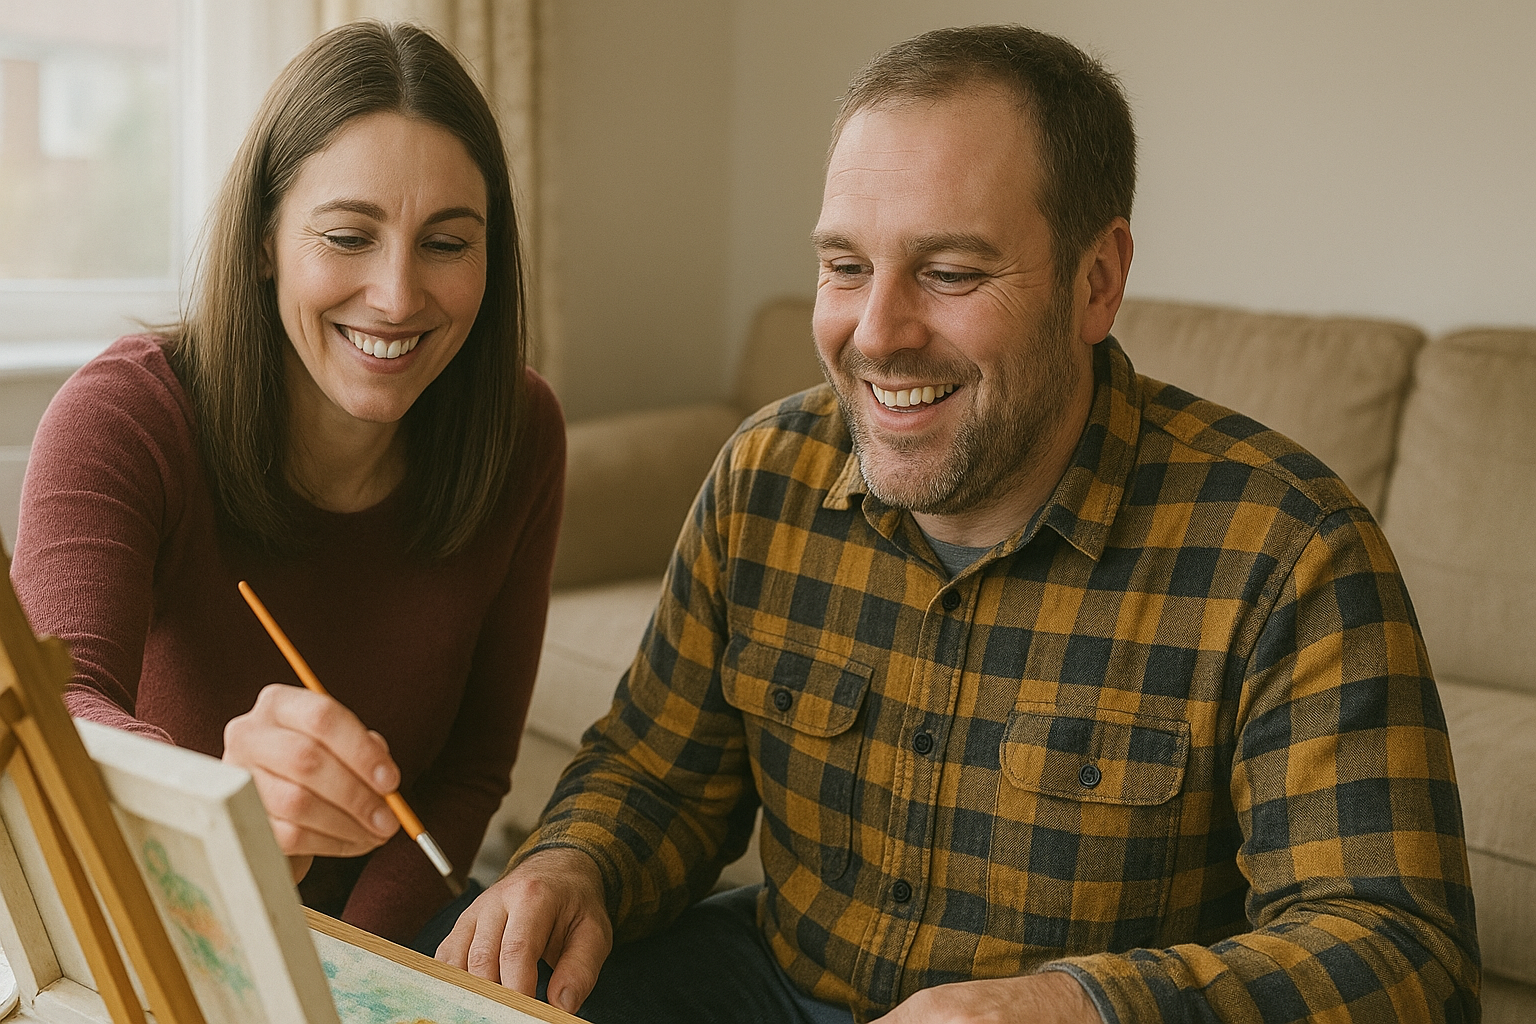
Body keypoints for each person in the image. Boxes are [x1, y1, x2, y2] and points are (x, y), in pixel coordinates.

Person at [438, 24, 1479, 1024]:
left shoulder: (1286, 549)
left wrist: (1076, 1005)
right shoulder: (766, 474)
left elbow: (1401, 957)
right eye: (846, 266)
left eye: (949, 272)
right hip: (765, 982)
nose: (876, 334)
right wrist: (576, 862)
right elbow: (654, 772)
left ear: (1097, 281)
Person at [12, 21, 563, 948]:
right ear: (266, 238)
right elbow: (45, 714)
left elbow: (470, 769)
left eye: (446, 243)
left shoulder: (521, 432)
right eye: (348, 235)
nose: (395, 296)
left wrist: (349, 969)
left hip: (387, 942)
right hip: (159, 914)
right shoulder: (123, 418)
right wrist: (220, 806)